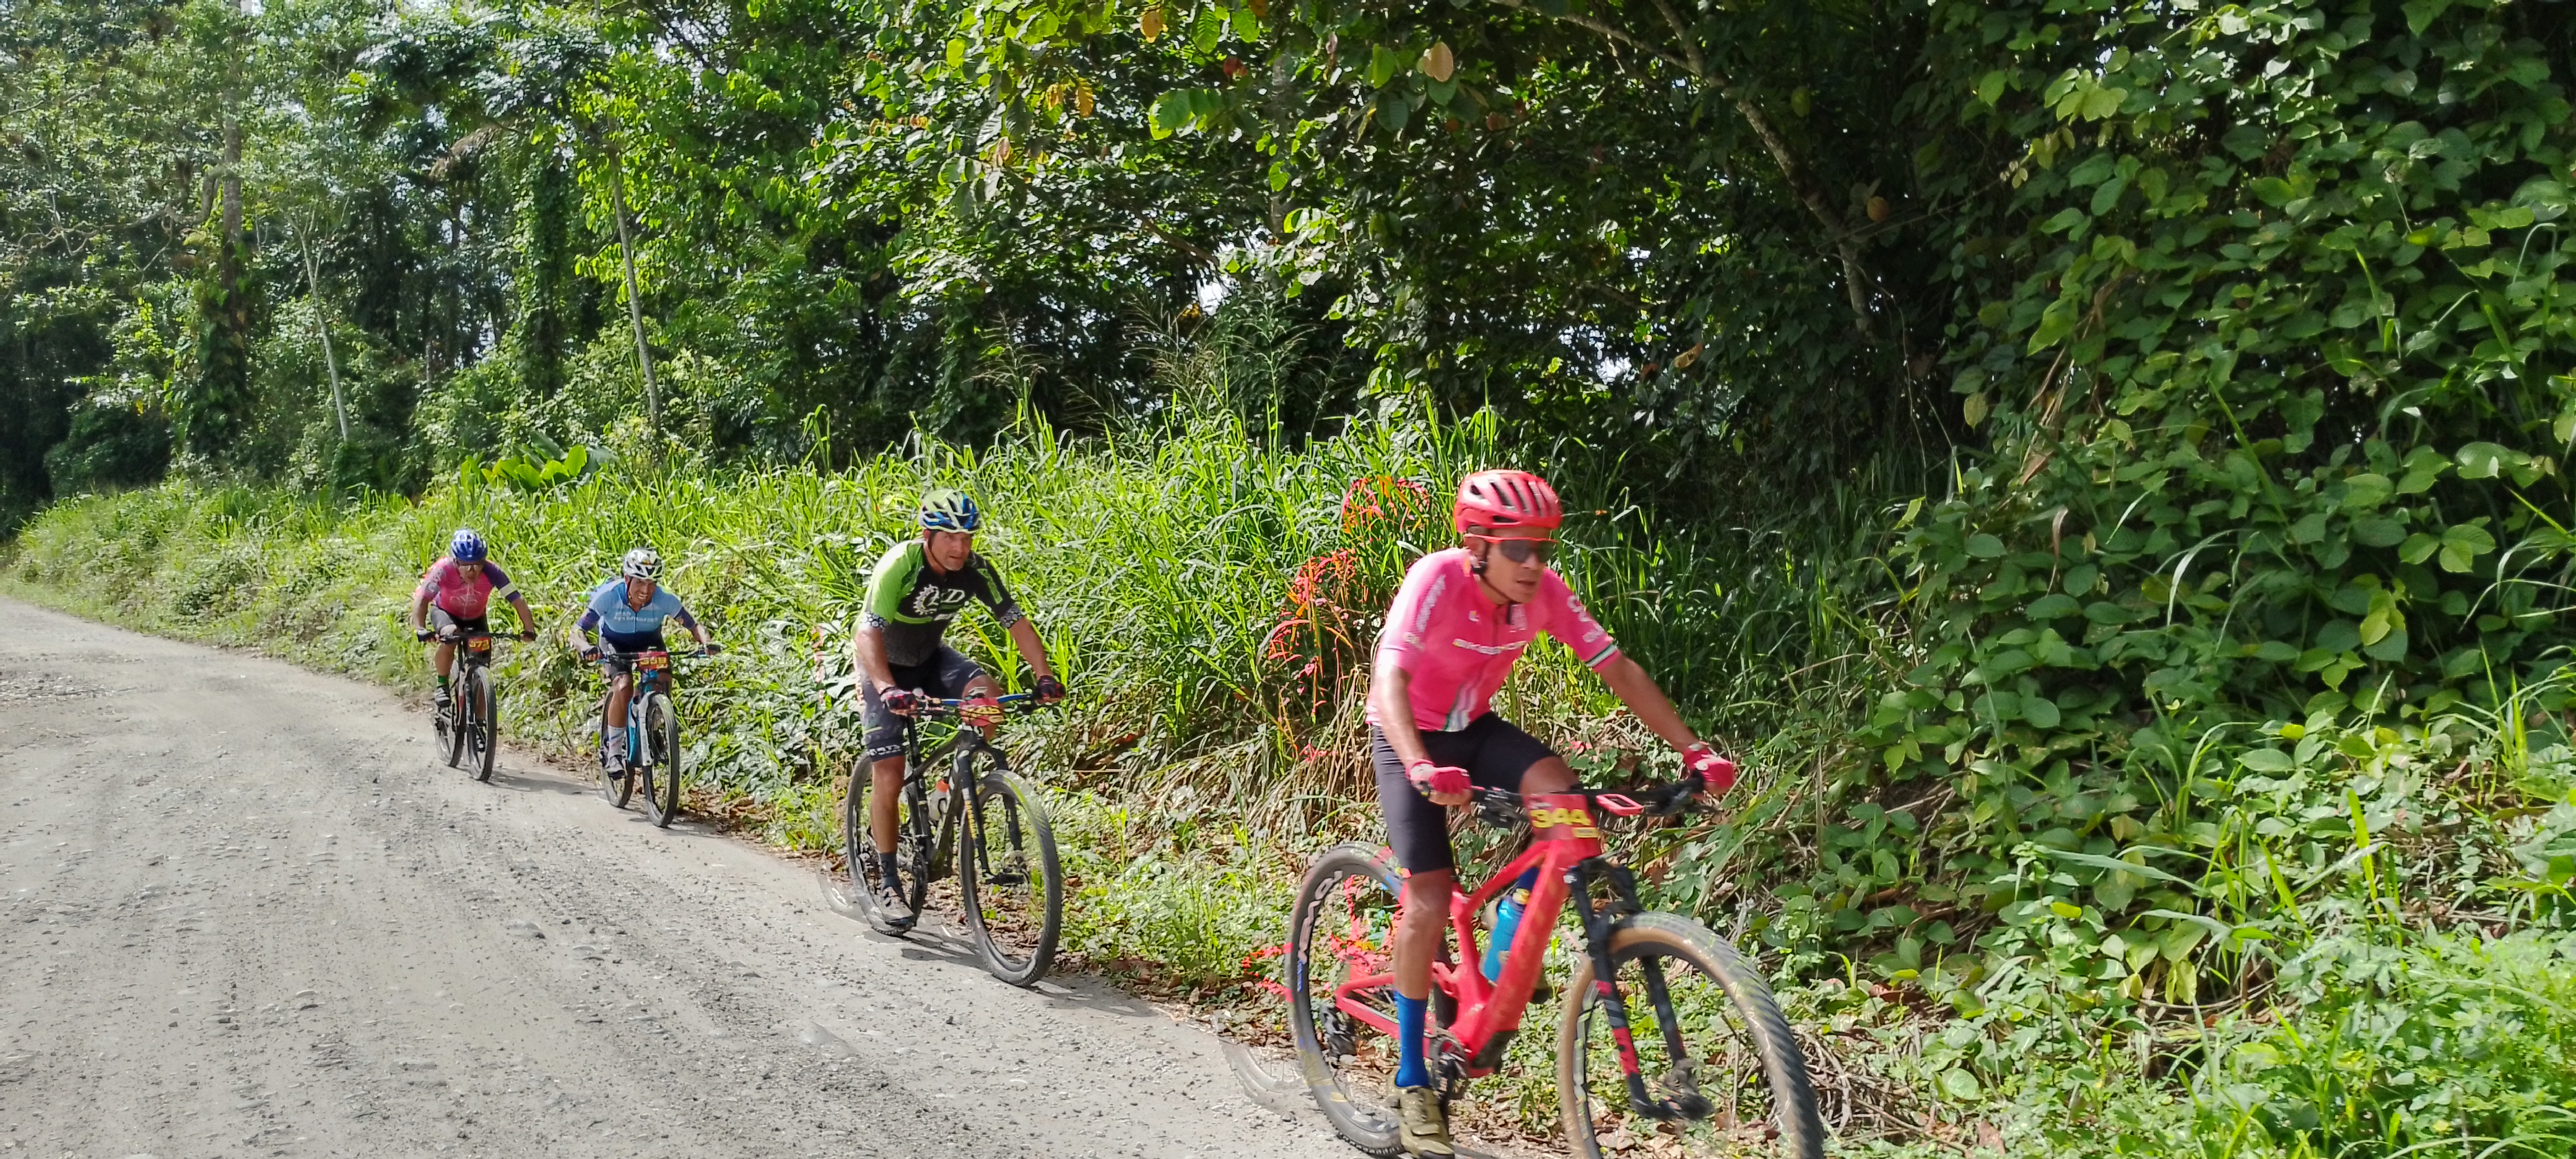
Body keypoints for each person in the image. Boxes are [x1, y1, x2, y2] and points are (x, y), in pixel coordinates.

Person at [1367, 469, 1739, 1158]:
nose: (1534, 563)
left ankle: (1511, 932)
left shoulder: (1544, 593)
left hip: (1474, 729)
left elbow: (1618, 669)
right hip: (1407, 735)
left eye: (1543, 548)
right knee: (1427, 898)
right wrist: (1418, 765)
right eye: (1518, 548)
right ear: (1477, 545)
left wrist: (1694, 750)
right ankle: (1413, 1080)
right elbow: (1388, 676)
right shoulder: (1435, 580)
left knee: (1567, 805)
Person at [851, 487, 1064, 924]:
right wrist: (887, 689)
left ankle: (945, 794)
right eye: (950, 537)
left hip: (930, 659)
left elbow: (1016, 623)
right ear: (927, 536)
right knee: (889, 767)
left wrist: (1044, 675)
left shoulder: (976, 570)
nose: (960, 548)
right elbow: (867, 634)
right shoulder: (900, 565)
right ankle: (889, 882)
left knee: (988, 698)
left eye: (967, 538)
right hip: (882, 666)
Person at [571, 549, 719, 773]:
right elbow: (578, 630)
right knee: (623, 686)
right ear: (627, 579)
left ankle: (654, 723)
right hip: (614, 643)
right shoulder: (609, 596)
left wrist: (706, 643)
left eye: (652, 584)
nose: (646, 590)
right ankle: (614, 752)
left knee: (662, 679)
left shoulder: (664, 599)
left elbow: (694, 626)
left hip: (649, 642)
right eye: (640, 582)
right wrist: (585, 648)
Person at [409, 529, 538, 713]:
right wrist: (420, 628)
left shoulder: (492, 571)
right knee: (451, 634)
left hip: (476, 617)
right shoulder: (443, 570)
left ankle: (482, 721)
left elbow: (517, 600)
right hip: (445, 613)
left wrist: (529, 629)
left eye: (478, 564)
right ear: (456, 561)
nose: (472, 570)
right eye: (466, 565)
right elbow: (422, 599)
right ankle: (442, 683)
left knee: (483, 666)